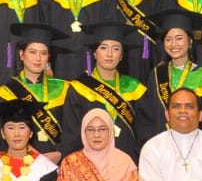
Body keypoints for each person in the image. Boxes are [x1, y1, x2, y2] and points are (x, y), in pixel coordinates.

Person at [62, 21, 163, 161]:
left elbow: (145, 133)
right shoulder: (79, 89)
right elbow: (72, 135)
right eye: (103, 48)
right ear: (95, 52)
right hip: (90, 164)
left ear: (121, 55)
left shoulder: (134, 88)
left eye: (116, 48)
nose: (109, 54)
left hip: (128, 162)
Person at [0, 22, 72, 160]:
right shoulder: (5, 93)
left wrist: (60, 153)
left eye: (43, 53)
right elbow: (1, 136)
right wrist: (32, 155)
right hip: (21, 163)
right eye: (32, 52)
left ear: (48, 57)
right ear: (21, 55)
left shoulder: (65, 88)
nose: (38, 58)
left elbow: (73, 130)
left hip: (59, 161)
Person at [148, 8, 202, 125]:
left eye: (179, 38)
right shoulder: (156, 75)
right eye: (168, 39)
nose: (173, 44)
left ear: (190, 41)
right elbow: (149, 117)